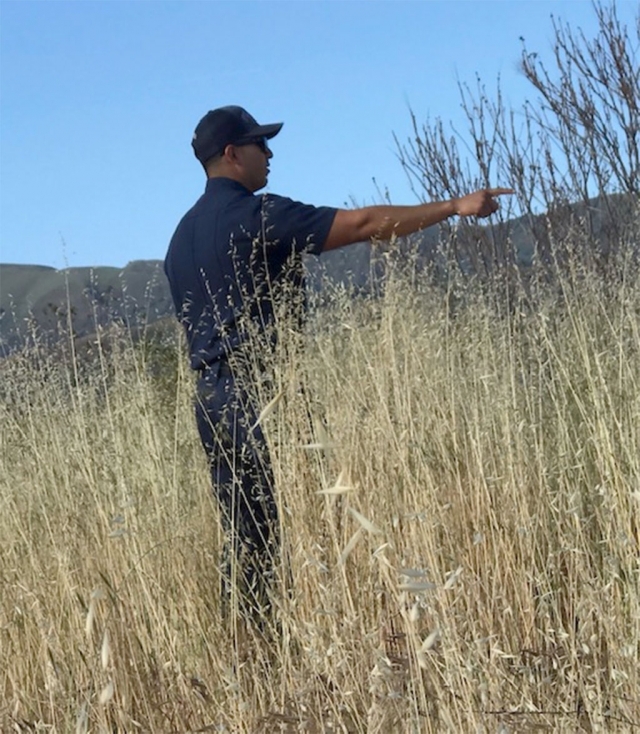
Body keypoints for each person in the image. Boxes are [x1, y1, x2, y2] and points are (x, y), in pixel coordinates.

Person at [164, 105, 512, 620]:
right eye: (261, 144)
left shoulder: (179, 240)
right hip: (262, 393)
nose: (270, 153)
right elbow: (365, 223)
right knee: (291, 524)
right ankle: (294, 646)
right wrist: (456, 207)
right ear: (233, 154)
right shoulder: (257, 215)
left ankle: (248, 649)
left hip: (210, 399)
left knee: (244, 532)